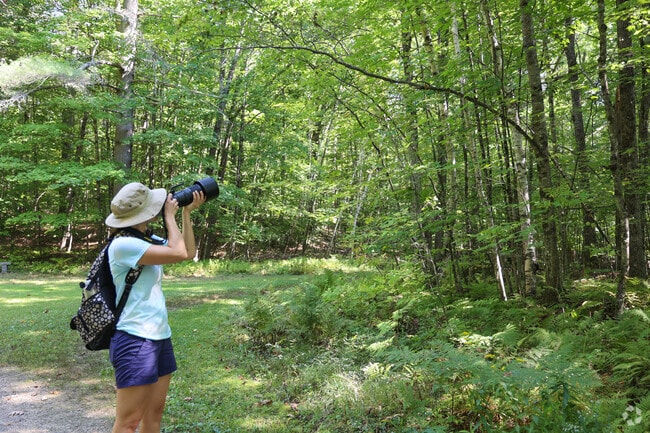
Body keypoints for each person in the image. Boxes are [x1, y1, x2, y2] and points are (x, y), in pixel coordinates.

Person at [104, 182, 205, 433]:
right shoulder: (123, 245)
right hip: (135, 339)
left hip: (159, 336)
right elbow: (177, 250)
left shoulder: (144, 239)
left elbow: (187, 252)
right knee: (128, 422)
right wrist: (170, 216)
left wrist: (185, 214)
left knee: (154, 415)